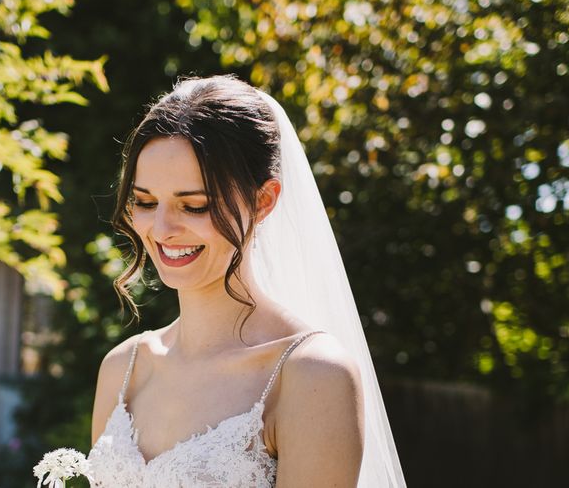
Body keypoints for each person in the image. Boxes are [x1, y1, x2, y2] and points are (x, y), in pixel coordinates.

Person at [34, 75, 406, 487]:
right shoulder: (124, 367)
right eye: (145, 202)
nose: (161, 229)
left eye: (194, 206)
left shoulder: (310, 375)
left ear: (263, 201)